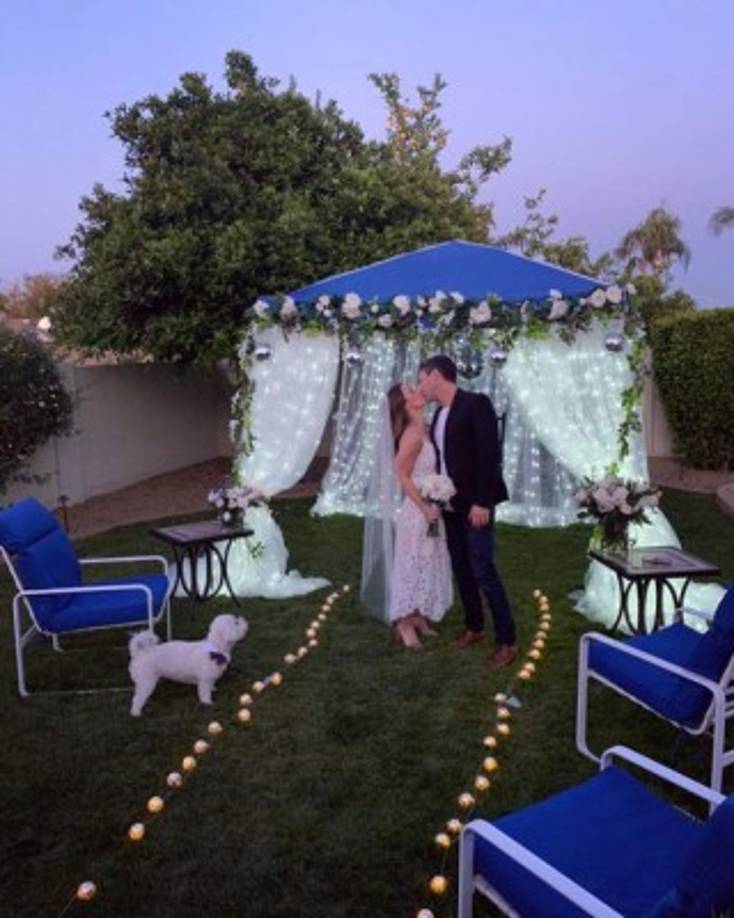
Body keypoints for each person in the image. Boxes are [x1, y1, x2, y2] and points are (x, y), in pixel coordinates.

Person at [418, 355, 517, 668]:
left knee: (482, 569)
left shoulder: (476, 403)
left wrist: (482, 502)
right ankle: (474, 626)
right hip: (450, 504)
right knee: (461, 567)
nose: (421, 384)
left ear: (436, 375)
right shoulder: (439, 414)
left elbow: (490, 455)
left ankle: (507, 640)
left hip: (475, 504)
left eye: (422, 377)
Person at [360, 382, 452, 649]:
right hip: (417, 512)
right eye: (410, 390)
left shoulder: (424, 429)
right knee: (411, 565)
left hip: (431, 505)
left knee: (426, 561)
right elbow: (401, 475)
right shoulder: (412, 435)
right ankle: (403, 623)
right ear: (404, 404)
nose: (417, 389)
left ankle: (418, 616)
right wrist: (425, 507)